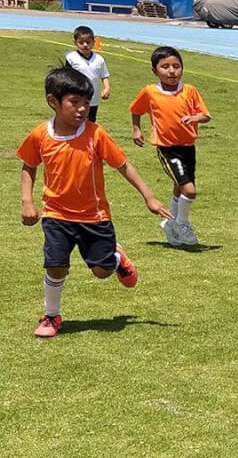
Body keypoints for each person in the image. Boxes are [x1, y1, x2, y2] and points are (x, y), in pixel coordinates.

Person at [17, 67, 171, 338]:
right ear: (53, 101)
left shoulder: (95, 134)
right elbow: (29, 166)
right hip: (56, 214)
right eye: (74, 102)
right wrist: (27, 202)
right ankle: (51, 316)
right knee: (55, 264)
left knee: (101, 271)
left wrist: (149, 197)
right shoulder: (40, 135)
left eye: (86, 103)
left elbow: (123, 166)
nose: (81, 109)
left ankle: (115, 256)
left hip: (94, 217)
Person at [130, 46, 211, 246]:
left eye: (176, 66)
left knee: (179, 186)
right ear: (155, 70)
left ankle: (169, 224)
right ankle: (182, 223)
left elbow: (206, 115)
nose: (172, 71)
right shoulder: (150, 92)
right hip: (167, 148)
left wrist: (195, 117)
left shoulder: (189, 91)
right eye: (165, 67)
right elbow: (136, 110)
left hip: (188, 147)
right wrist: (136, 130)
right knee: (189, 190)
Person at [65, 26, 110, 123]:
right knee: (76, 120)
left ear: (94, 42)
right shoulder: (71, 58)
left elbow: (104, 75)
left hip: (93, 99)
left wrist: (106, 88)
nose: (85, 45)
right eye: (81, 42)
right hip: (76, 97)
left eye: (88, 42)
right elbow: (66, 77)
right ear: (75, 42)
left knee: (90, 121)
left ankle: (89, 138)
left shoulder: (99, 59)